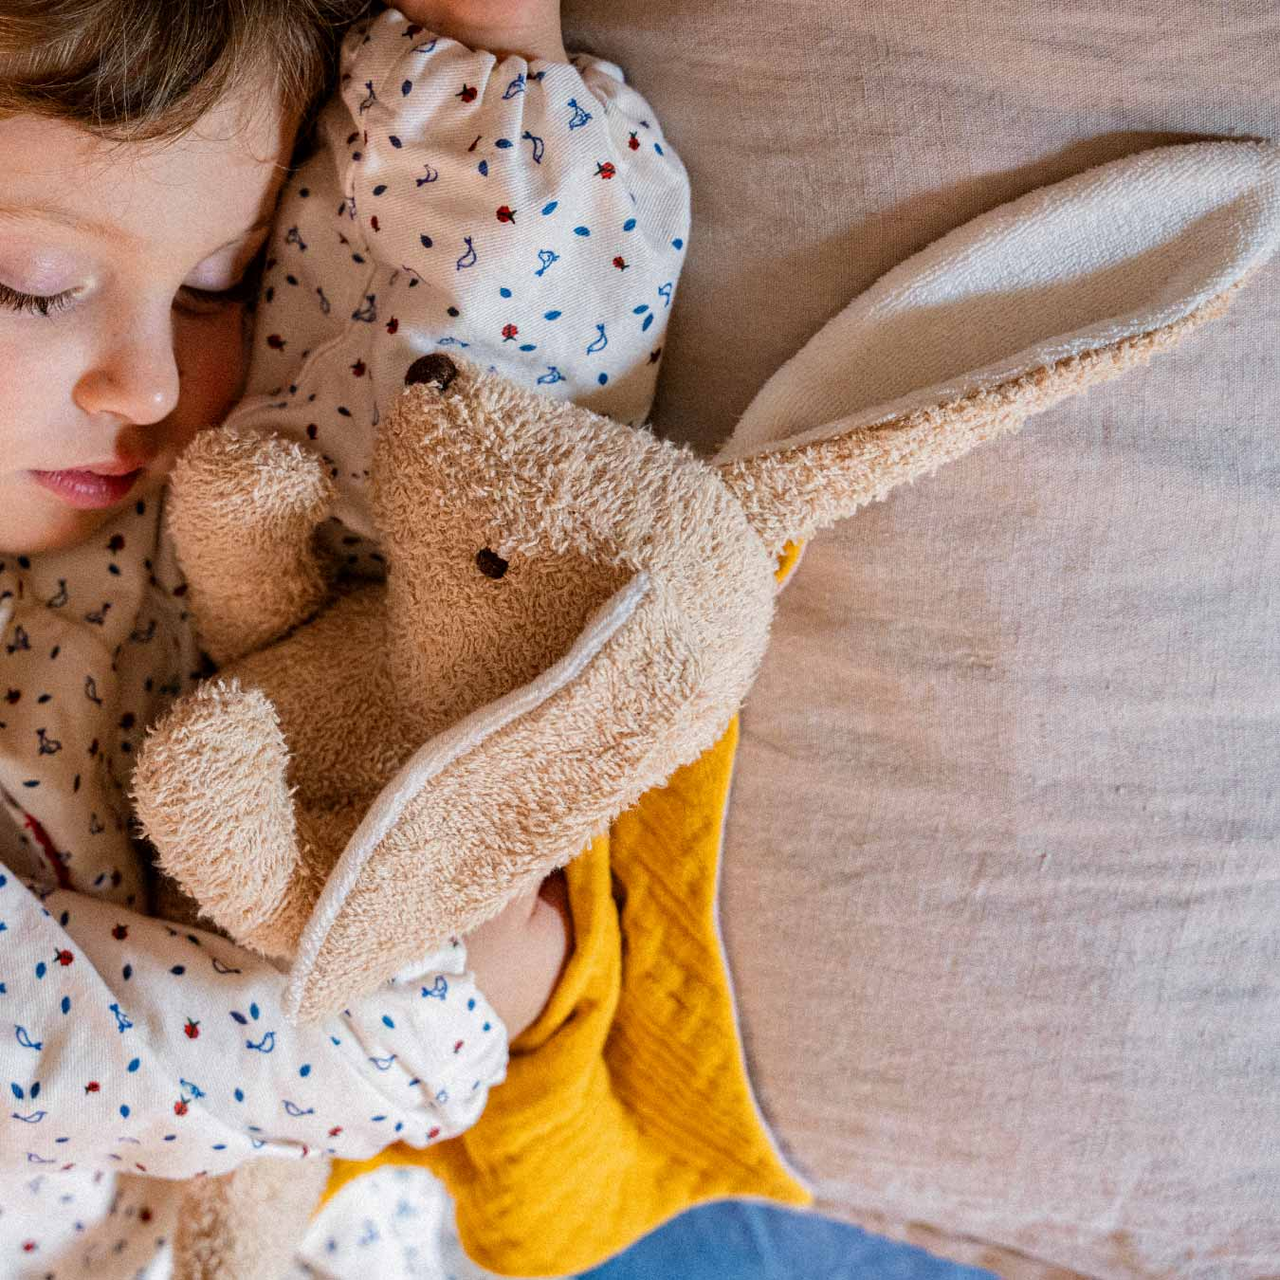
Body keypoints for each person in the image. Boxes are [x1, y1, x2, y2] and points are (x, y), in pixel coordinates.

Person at [0, 0, 690, 1268]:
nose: (151, 384)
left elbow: (473, 430)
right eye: (29, 285)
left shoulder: (172, 499)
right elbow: (39, 1038)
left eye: (213, 285)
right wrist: (428, 1024)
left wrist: (487, 57)